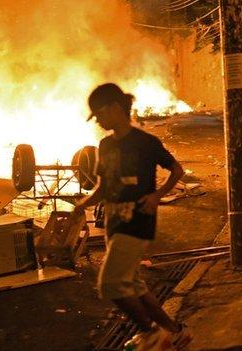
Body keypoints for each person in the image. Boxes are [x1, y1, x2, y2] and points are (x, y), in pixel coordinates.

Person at [73, 83, 192, 350]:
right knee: (132, 283)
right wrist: (82, 205)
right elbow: (103, 187)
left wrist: (157, 195)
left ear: (116, 108)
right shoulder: (104, 145)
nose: (100, 121)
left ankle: (150, 333)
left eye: (100, 114)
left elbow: (177, 170)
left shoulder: (146, 143)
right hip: (114, 223)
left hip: (138, 221)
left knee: (111, 283)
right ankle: (175, 332)